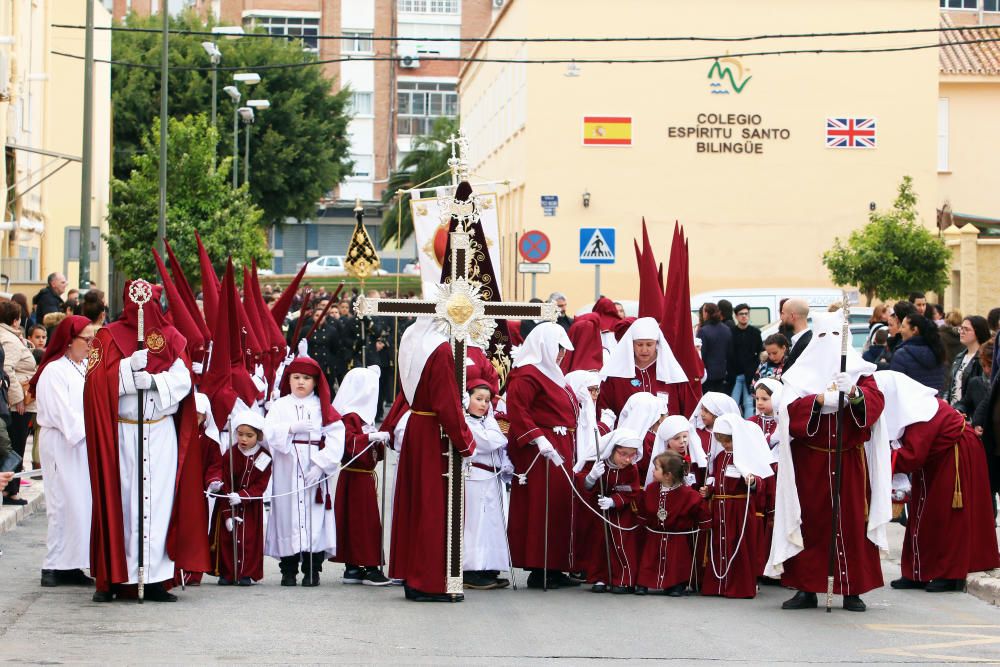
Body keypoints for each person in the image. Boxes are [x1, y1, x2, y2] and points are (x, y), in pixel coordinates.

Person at [84, 281, 210, 603]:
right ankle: (115, 576)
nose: (142, 310)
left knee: (158, 502)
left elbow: (184, 381)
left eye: (149, 303)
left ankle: (154, 578)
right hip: (123, 433)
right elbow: (94, 382)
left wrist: (154, 380)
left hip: (159, 432)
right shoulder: (107, 336)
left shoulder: (171, 337)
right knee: (123, 500)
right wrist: (125, 372)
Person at [767, 310, 887, 613]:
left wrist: (855, 392)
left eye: (836, 336)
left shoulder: (860, 372)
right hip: (811, 462)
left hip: (849, 461)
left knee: (851, 523)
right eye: (823, 336)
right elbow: (788, 412)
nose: (829, 342)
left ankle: (852, 589)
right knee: (811, 522)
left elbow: (875, 404)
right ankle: (806, 588)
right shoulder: (799, 375)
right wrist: (818, 401)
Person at [875, 371, 1000, 591]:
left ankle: (949, 574)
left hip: (956, 456)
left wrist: (876, 460)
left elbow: (912, 455)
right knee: (923, 513)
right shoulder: (910, 408)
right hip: (938, 459)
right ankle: (918, 571)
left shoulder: (920, 410)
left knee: (947, 516)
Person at [389, 317, 476, 602]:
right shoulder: (439, 349)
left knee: (416, 505)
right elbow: (445, 403)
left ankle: (413, 575)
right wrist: (465, 441)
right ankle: (429, 581)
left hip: (418, 424)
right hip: (433, 433)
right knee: (434, 508)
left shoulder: (412, 337)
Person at [506, 322, 579, 590]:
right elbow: (518, 410)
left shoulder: (553, 373)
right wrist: (538, 438)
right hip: (542, 450)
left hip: (561, 444)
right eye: (558, 348)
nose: (561, 354)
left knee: (558, 505)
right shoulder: (527, 375)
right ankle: (540, 566)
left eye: (563, 349)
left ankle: (556, 564)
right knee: (542, 506)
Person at [263, 356, 344, 588]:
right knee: (287, 516)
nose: (301, 382)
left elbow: (337, 436)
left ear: (315, 382)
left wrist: (320, 464)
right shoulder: (280, 406)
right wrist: (289, 428)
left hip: (313, 468)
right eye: (296, 377)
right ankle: (288, 570)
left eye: (306, 378)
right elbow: (267, 432)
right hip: (287, 468)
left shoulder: (323, 407)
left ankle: (312, 569)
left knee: (314, 516)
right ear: (288, 380)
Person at [34, 315, 95, 588]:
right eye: (87, 340)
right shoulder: (54, 371)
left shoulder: (79, 367)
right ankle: (53, 564)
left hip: (80, 444)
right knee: (61, 503)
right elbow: (63, 413)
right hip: (62, 441)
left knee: (80, 504)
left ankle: (71, 563)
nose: (92, 345)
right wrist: (90, 429)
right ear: (69, 341)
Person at [330, 365, 391, 587]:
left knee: (357, 520)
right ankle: (368, 566)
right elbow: (348, 444)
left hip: (362, 476)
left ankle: (354, 566)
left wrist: (378, 441)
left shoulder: (361, 417)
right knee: (363, 522)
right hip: (355, 476)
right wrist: (371, 438)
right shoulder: (350, 417)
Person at [700, 415, 773, 598]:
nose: (725, 445)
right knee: (719, 543)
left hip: (739, 508)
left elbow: (761, 481)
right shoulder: (720, 457)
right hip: (720, 506)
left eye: (728, 440)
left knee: (738, 545)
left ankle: (738, 586)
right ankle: (718, 585)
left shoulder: (747, 455)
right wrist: (708, 490)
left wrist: (752, 481)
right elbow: (716, 479)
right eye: (722, 441)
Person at [462, 369, 513, 591]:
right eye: (478, 399)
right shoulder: (466, 423)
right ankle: (472, 569)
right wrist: (497, 439)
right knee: (476, 524)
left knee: (493, 524)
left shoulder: (488, 420)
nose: (483, 404)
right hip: (475, 477)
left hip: (493, 478)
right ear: (467, 399)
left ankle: (489, 566)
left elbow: (499, 441)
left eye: (486, 400)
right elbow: (487, 442)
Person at [574, 428, 642, 593]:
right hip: (599, 513)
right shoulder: (598, 463)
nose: (627, 459)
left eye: (631, 455)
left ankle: (623, 579)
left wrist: (614, 501)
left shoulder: (631, 469)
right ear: (612, 450)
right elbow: (583, 484)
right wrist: (591, 477)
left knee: (621, 544)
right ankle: (599, 577)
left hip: (621, 514)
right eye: (623, 454)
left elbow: (632, 490)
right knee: (599, 544)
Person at [209, 411, 272, 586]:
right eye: (240, 434)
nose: (243, 439)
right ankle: (227, 572)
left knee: (249, 539)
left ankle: (246, 572)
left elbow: (261, 484)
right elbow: (225, 482)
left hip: (251, 507)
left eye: (249, 435)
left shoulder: (264, 457)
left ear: (258, 436)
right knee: (228, 538)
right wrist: (228, 512)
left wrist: (243, 496)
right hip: (228, 503)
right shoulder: (230, 454)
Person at [636, 451, 707, 596]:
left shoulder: (689, 494)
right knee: (649, 560)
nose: (653, 471)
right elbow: (643, 509)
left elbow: (701, 512)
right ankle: (644, 583)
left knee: (676, 562)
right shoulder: (651, 489)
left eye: (656, 468)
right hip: (654, 536)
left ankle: (676, 584)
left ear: (668, 475)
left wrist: (704, 525)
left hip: (677, 537)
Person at [598, 317, 687, 419]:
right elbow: (605, 412)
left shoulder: (672, 373)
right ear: (632, 344)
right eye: (639, 344)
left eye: (649, 344)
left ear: (657, 343)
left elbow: (686, 412)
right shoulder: (615, 374)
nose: (644, 350)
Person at [0, 301, 36, 506]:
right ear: (16, 320)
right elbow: (8, 369)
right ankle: (10, 491)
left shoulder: (10, 337)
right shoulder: (10, 340)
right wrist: (18, 399)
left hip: (13, 400)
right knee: (16, 445)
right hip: (17, 403)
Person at [749, 378, 782, 579]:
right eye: (757, 398)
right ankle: (759, 566)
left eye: (765, 398)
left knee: (776, 520)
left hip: (778, 477)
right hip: (759, 478)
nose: (760, 403)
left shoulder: (783, 421)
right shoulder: (752, 423)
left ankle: (777, 568)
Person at [889, 313, 947, 393]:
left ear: (914, 330)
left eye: (903, 326)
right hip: (935, 403)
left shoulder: (901, 355)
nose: (900, 330)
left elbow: (894, 388)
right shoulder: (938, 351)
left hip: (910, 404)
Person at [943, 315, 990, 412]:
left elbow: (980, 392)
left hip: (970, 414)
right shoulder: (960, 356)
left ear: (978, 332)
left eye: (966, 329)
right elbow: (952, 384)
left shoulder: (983, 359)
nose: (962, 332)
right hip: (953, 412)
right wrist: (945, 400)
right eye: (961, 328)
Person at [729, 303, 763, 417]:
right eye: (741, 314)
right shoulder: (731, 332)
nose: (744, 316)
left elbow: (760, 352)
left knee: (749, 403)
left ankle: (748, 427)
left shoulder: (755, 332)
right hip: (735, 374)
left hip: (751, 374)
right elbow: (728, 353)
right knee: (733, 403)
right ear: (736, 316)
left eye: (746, 314)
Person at [696, 303, 732, 393]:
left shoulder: (703, 331)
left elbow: (701, 354)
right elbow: (730, 352)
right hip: (723, 372)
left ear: (706, 313)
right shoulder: (726, 329)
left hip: (707, 374)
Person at [780, 299, 811, 370]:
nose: (781, 318)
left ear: (792, 316)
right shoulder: (803, 340)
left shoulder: (806, 344)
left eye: (783, 313)